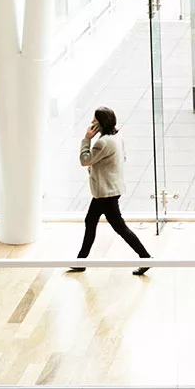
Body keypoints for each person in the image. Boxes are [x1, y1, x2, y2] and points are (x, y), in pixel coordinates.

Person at [69, 107, 152, 276]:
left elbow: (85, 160)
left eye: (94, 120)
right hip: (111, 188)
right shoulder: (117, 136)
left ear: (101, 123)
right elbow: (122, 158)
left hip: (106, 192)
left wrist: (86, 139)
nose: (92, 123)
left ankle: (146, 257)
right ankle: (81, 260)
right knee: (91, 222)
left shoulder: (102, 143)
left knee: (118, 227)